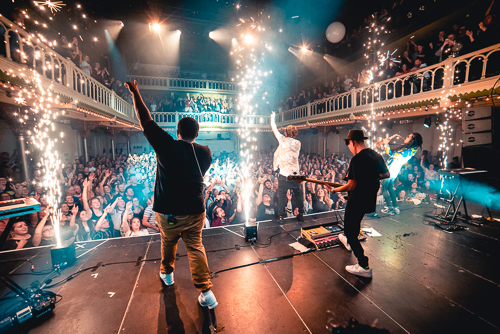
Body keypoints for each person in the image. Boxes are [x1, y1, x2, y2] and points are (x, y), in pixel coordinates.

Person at [125, 80, 218, 310]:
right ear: (196, 134)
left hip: (169, 213)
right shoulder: (205, 152)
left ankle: (167, 274)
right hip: (195, 211)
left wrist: (136, 91)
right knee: (195, 247)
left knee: (168, 241)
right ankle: (206, 292)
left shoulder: (167, 146)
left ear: (177, 133)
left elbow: (145, 119)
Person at [325, 130, 390, 278]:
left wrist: (335, 190)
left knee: (350, 231)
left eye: (348, 143)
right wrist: (370, 176)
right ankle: (349, 240)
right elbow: (386, 174)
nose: (348, 146)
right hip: (369, 199)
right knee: (354, 226)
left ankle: (363, 265)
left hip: (357, 199)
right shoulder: (376, 155)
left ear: (352, 142)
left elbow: (351, 185)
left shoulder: (357, 159)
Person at [377, 133, 423, 215]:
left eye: (409, 136)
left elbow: (392, 154)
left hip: (390, 169)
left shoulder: (408, 150)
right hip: (395, 170)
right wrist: (385, 147)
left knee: (384, 188)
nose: (406, 136)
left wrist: (386, 144)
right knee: (390, 187)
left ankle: (390, 209)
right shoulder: (412, 149)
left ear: (412, 140)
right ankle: (395, 207)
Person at [270, 112, 304, 222]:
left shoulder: (282, 140)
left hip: (284, 173)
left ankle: (281, 216)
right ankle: (301, 214)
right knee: (298, 194)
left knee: (282, 195)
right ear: (295, 133)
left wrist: (272, 117)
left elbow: (274, 129)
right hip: (295, 173)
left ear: (285, 132)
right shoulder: (298, 143)